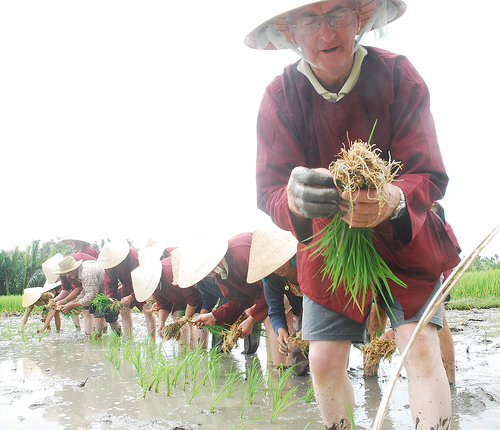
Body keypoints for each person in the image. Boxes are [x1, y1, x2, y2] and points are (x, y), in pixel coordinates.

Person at [247, 1, 461, 428]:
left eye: (338, 14)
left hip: (405, 234)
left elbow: (428, 172)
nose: (327, 32)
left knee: (418, 346)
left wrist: (391, 197)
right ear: (290, 33)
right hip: (330, 244)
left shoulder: (398, 76)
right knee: (324, 359)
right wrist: (294, 199)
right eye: (310, 19)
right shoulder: (281, 96)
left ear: (359, 18)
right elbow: (270, 189)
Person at [175, 233, 268, 355]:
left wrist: (251, 319)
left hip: (287, 287)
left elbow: (269, 288)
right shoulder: (220, 275)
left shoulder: (240, 254)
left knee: (270, 320)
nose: (204, 277)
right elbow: (239, 300)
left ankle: (279, 369)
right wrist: (213, 316)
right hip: (266, 298)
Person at [246, 226, 303, 368]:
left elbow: (320, 299)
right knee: (299, 367)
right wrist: (281, 330)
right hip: (301, 313)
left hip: (325, 310)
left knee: (324, 359)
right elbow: (275, 310)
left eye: (278, 261)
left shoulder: (305, 263)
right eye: (270, 265)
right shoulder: (271, 278)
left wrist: (310, 326)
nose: (276, 269)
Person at [131, 255, 207, 349]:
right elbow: (163, 303)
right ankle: (183, 351)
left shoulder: (170, 274)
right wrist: (161, 323)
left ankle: (202, 354)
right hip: (183, 298)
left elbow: (194, 297)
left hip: (200, 291)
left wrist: (185, 318)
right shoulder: (154, 284)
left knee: (197, 318)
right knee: (177, 316)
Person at [97, 239, 157, 337]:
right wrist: (110, 297)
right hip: (127, 285)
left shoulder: (135, 256)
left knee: (147, 310)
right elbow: (110, 282)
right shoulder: (110, 263)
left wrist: (131, 297)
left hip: (143, 285)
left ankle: (152, 341)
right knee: (123, 310)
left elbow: (144, 279)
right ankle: (128, 340)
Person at [53, 255, 109, 335]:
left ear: (73, 270)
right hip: (101, 291)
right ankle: (100, 340)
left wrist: (73, 305)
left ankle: (99, 342)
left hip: (110, 291)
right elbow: (85, 290)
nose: (67, 276)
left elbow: (91, 295)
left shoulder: (86, 274)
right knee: (105, 316)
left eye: (67, 273)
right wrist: (72, 303)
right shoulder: (81, 271)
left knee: (103, 316)